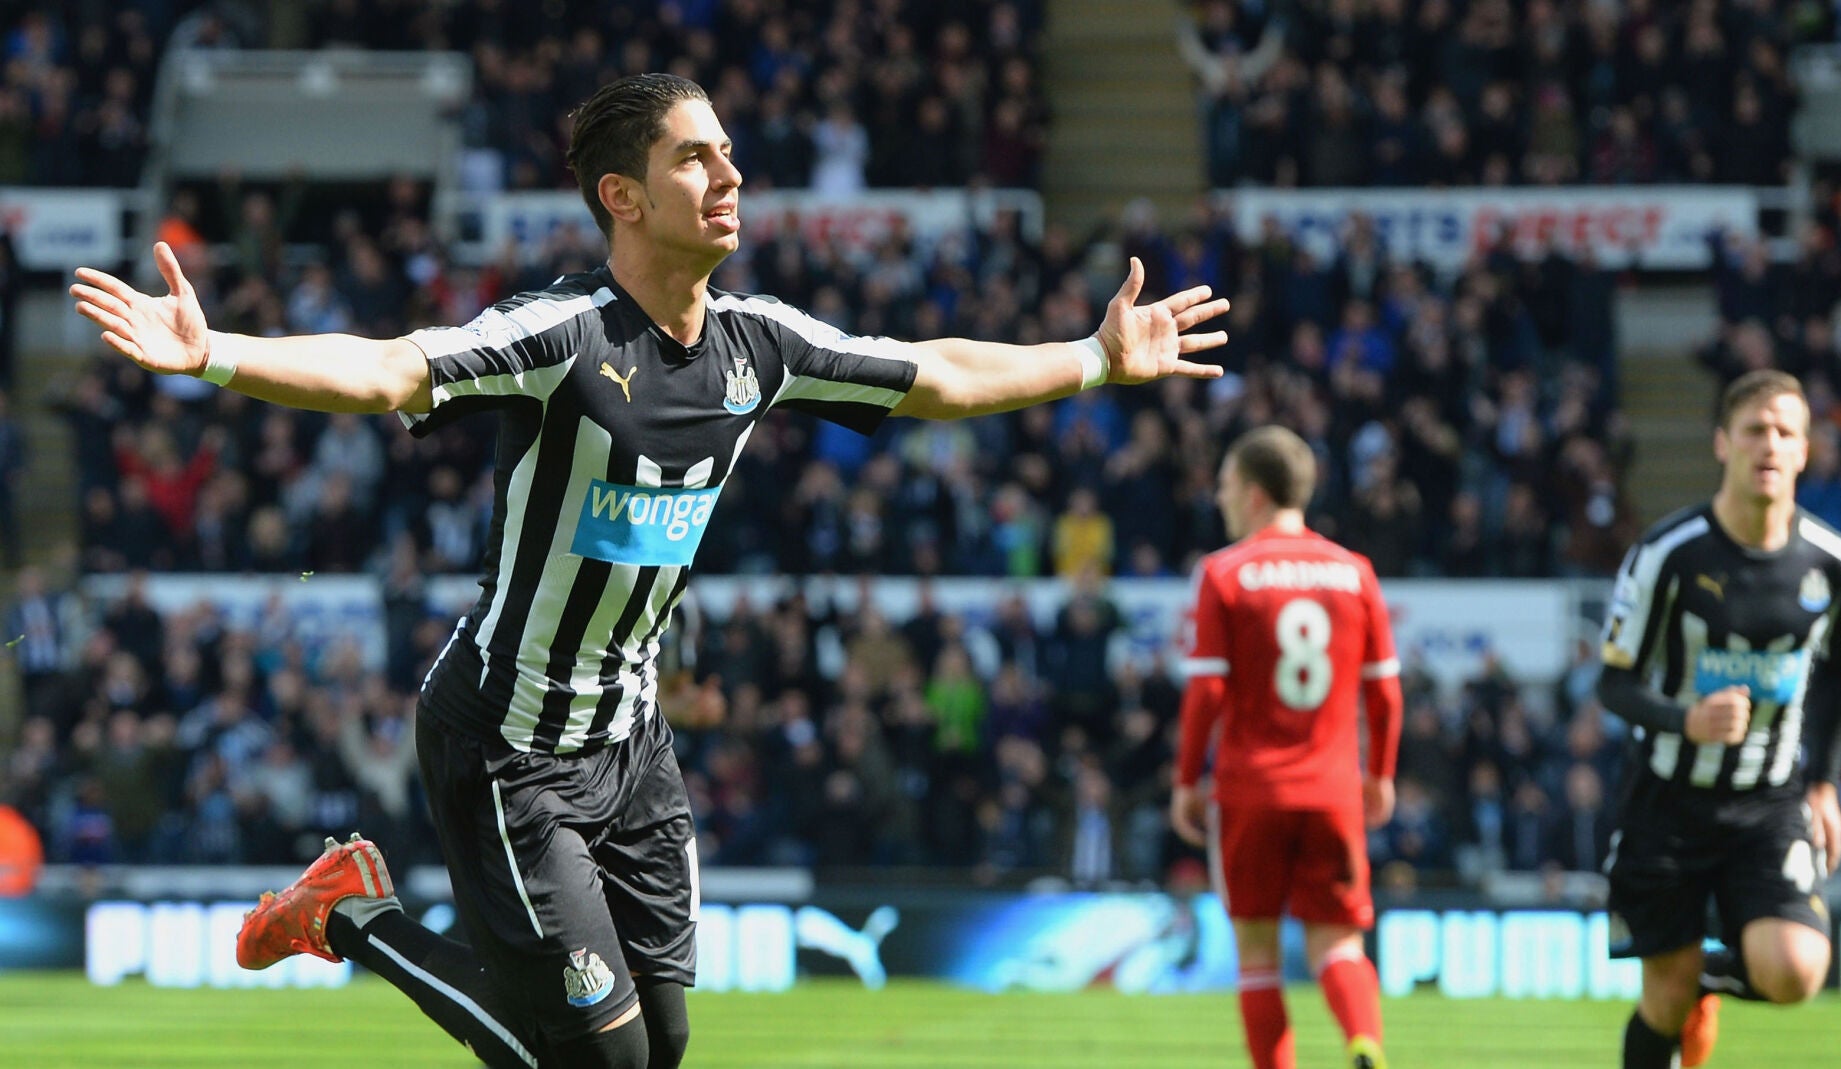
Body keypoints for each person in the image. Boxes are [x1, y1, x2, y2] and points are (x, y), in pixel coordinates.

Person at [70, 73, 1227, 1069]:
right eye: (694, 157)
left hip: (631, 746)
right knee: (607, 1060)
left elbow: (933, 372)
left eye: (727, 152)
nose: (729, 174)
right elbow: (387, 369)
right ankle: (354, 917)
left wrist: (1091, 357)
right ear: (622, 197)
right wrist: (216, 354)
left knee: (659, 1048)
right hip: (506, 744)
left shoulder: (757, 343)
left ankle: (364, 918)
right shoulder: (559, 335)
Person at [1597, 369, 1841, 1069]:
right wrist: (1684, 720)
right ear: (1723, 443)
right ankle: (1689, 987)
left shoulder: (1836, 566)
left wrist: (1825, 784)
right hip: (1666, 800)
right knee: (1664, 997)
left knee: (1797, 970)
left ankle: (1707, 977)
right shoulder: (1668, 555)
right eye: (1754, 429)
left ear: (1805, 450)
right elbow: (1612, 683)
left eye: (1785, 431)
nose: (1769, 445)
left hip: (1766, 801)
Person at [1171, 425, 1402, 1069]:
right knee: (1338, 947)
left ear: (1251, 494)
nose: (1218, 498)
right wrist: (1379, 775)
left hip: (1251, 790)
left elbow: (1207, 695)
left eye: (1222, 486)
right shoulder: (1355, 573)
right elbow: (1385, 695)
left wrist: (1188, 781)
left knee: (1257, 955)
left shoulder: (1224, 574)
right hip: (1332, 788)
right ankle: (1364, 1042)